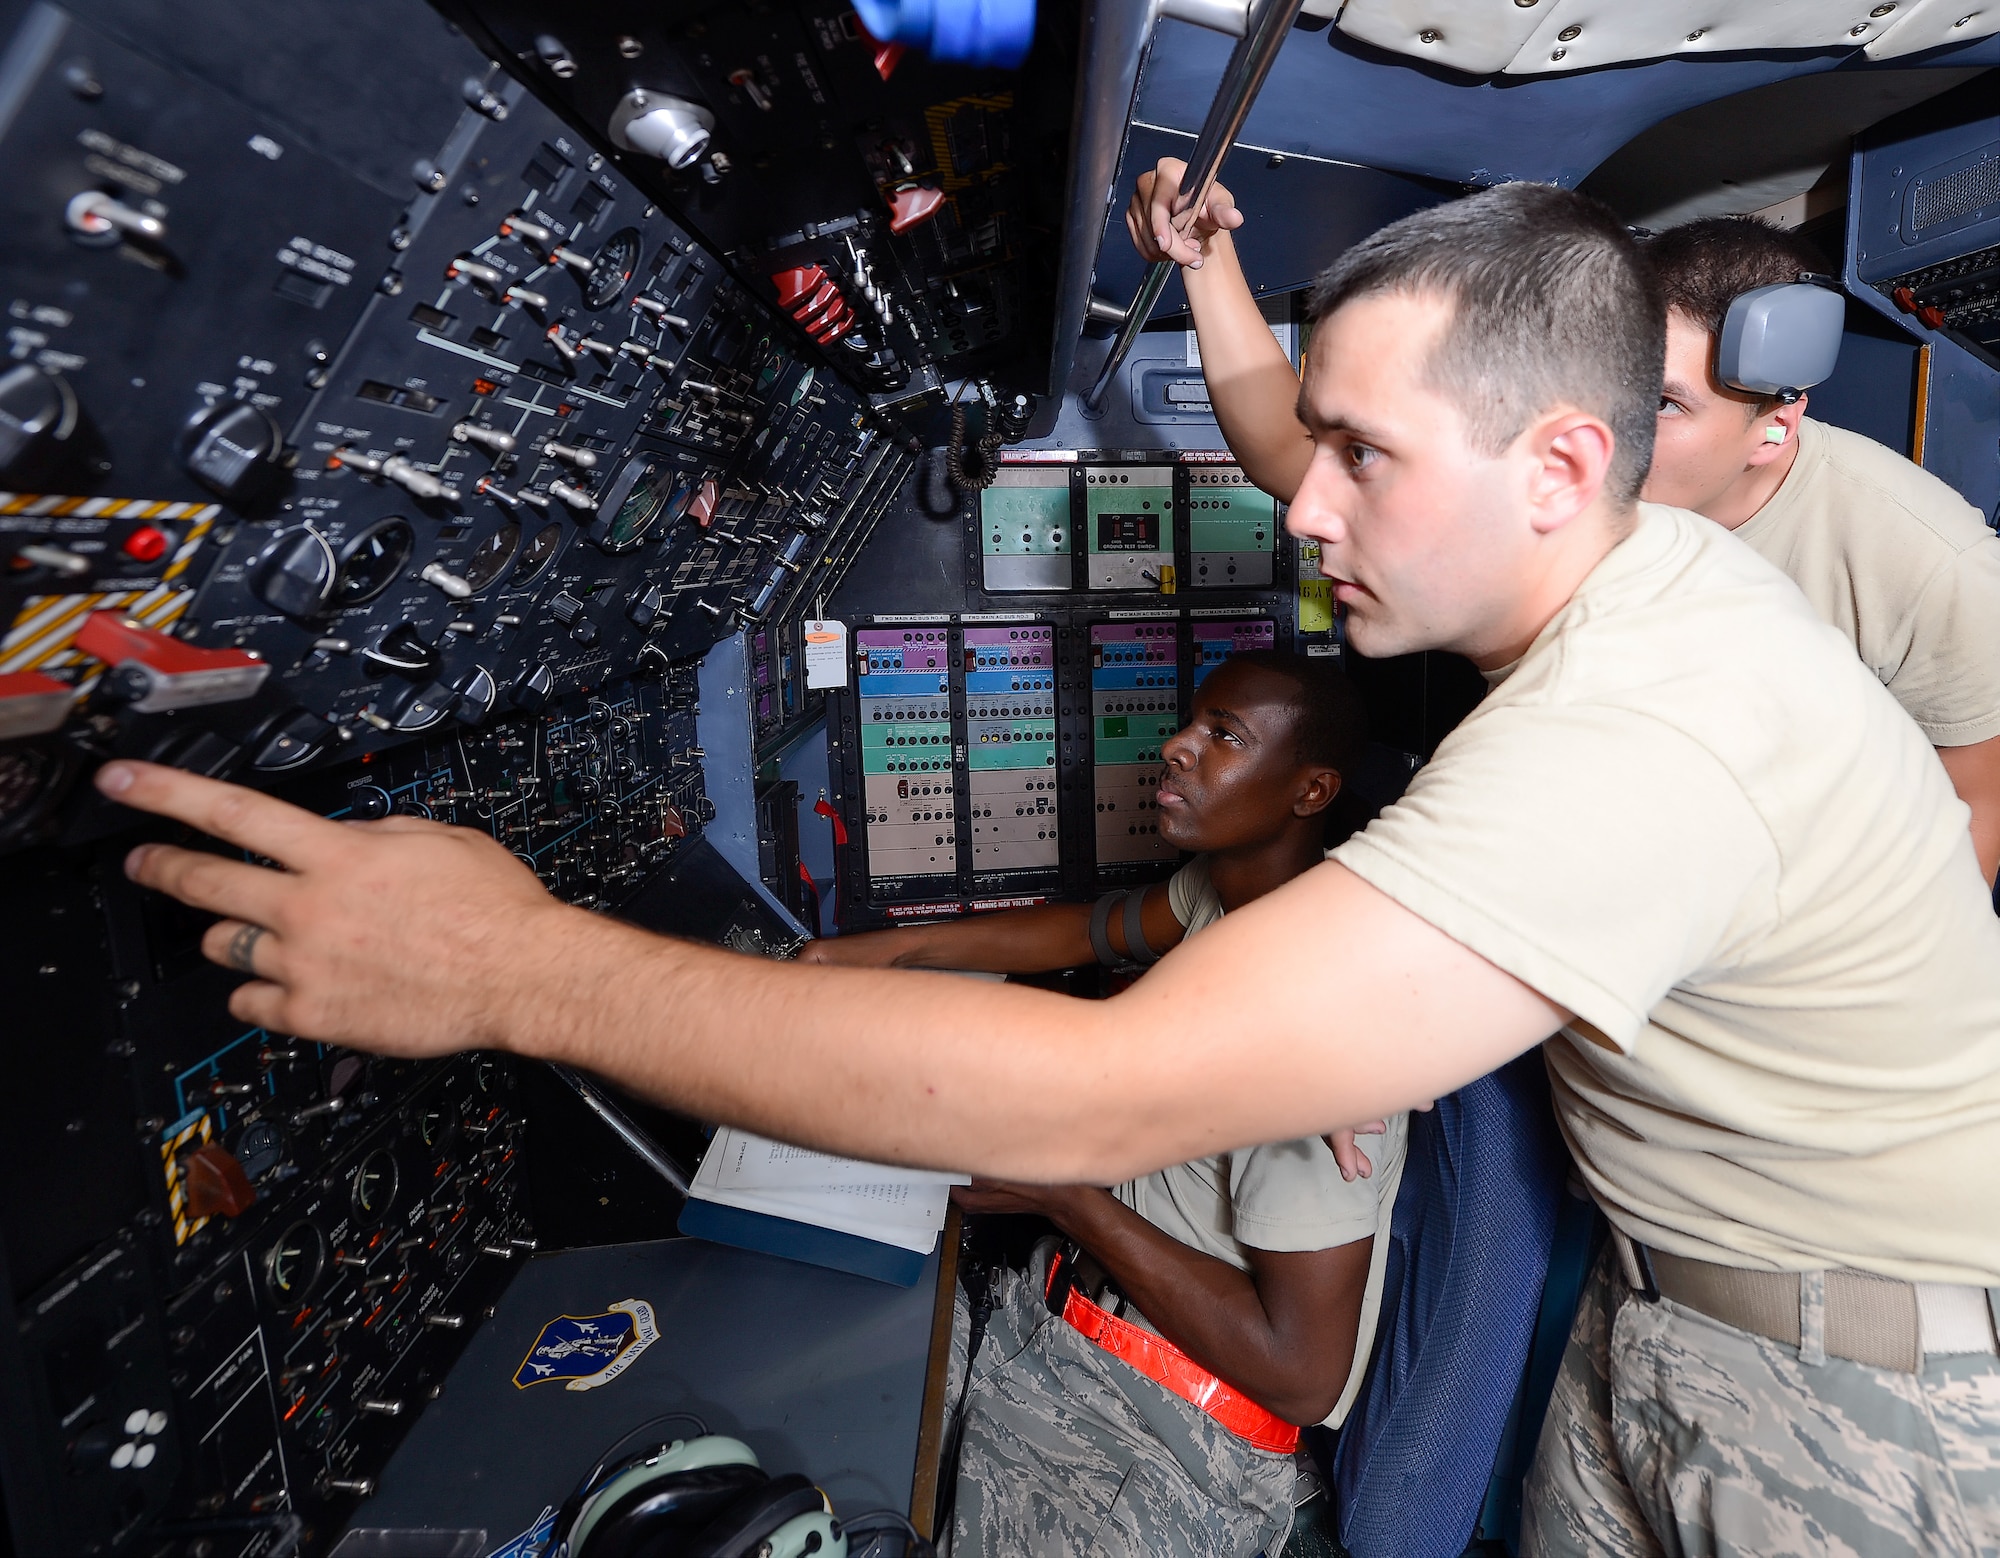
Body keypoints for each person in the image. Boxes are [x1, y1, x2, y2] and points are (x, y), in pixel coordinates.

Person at [99, 182, 2000, 1555]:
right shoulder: (1592, 584)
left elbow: (1104, 1094)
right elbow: (1288, 452)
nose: (1306, 502)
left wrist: (511, 964)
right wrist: (1222, 274)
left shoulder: (1647, 730)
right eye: (1313, 440)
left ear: (1564, 461)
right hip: (1664, 1310)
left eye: (1361, 454)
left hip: (1855, 1395)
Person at [1128, 166, 2000, 884]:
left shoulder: (1922, 559)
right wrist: (1205, 260)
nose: (1615, 428)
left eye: (1664, 405)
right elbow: (1301, 454)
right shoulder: (1571, 476)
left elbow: (1976, 811)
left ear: (1776, 424)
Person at [804, 651, 1404, 1558]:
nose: (1176, 747)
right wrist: (869, 958)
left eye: (1223, 737)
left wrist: (1063, 1195)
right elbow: (1087, 927)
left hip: (1170, 1439)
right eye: (1192, 722)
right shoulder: (1224, 901)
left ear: (1310, 791)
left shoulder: (1315, 1028)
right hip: (1064, 1332)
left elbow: (1303, 1374)